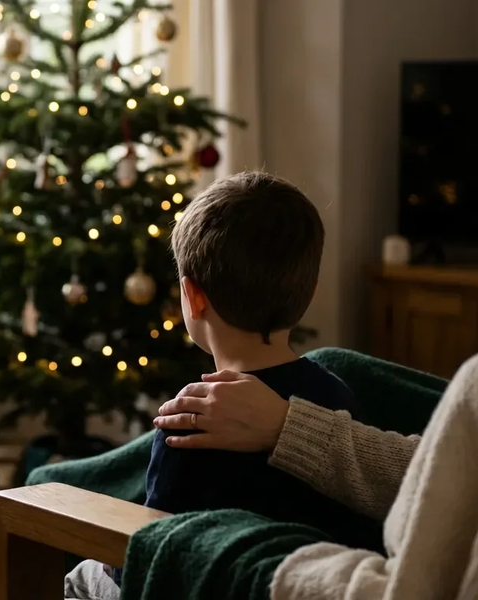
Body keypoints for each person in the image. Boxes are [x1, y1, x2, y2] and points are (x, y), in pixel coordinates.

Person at [143, 172, 380, 552]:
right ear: (311, 288)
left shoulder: (190, 418)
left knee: (82, 576)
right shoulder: (337, 400)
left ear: (193, 296)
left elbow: (150, 555)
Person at [153, 358, 478, 599]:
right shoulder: (334, 388)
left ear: (193, 299)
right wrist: (287, 423)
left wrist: (287, 426)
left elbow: (151, 541)